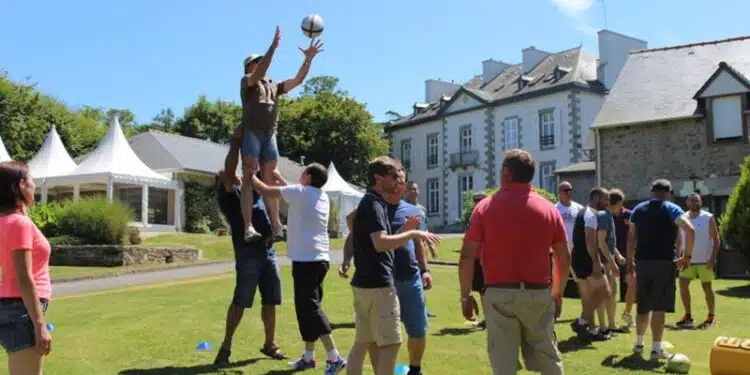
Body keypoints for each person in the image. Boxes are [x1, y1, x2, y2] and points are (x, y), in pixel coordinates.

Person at [459, 149, 570, 375]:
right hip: (538, 292)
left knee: (503, 364)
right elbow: (563, 257)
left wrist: (466, 295)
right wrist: (558, 292)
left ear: (507, 173)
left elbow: (467, 255)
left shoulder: (485, 208)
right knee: (549, 357)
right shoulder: (549, 209)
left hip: (499, 293)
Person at [345, 156, 440, 375]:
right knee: (391, 343)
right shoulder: (375, 204)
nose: (399, 182)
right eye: (394, 176)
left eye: (401, 178)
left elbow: (374, 241)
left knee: (362, 342)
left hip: (365, 283)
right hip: (380, 284)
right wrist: (413, 232)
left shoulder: (368, 202)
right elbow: (380, 243)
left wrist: (424, 267)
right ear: (379, 178)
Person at [248, 163, 346, 374]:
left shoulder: (300, 192)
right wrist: (280, 177)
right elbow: (293, 192)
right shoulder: (320, 196)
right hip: (319, 260)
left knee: (310, 308)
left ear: (308, 177)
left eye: (303, 172)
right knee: (305, 309)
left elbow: (266, 191)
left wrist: (250, 176)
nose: (300, 175)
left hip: (307, 262)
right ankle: (309, 357)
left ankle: (334, 356)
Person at [230, 25, 323, 242]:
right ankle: (248, 228)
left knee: (269, 179)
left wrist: (308, 59)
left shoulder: (274, 86)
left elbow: (298, 80)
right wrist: (273, 47)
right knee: (249, 178)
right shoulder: (247, 82)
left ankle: (277, 226)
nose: (262, 65)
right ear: (249, 67)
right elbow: (261, 70)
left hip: (269, 134)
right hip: (252, 133)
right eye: (257, 62)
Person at [213, 170, 286, 367]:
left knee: (271, 299)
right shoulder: (230, 196)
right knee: (241, 300)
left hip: (267, 252)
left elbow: (265, 179)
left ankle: (270, 344)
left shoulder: (255, 194)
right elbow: (226, 175)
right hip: (248, 255)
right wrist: (232, 176)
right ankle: (225, 348)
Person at [627, 179, 695, 359]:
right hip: (664, 262)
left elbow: (631, 238)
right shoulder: (672, 208)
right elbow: (690, 230)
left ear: (652, 192)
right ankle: (656, 349)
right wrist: (686, 257)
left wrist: (629, 262)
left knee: (643, 305)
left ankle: (639, 344)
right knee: (659, 306)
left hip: (642, 261)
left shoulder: (637, 210)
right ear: (668, 192)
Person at [0, 161, 52, 375]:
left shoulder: (11, 221)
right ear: (21, 185)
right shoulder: (18, 224)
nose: (35, 186)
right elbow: (24, 277)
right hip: (22, 311)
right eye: (31, 181)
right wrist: (39, 325)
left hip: (13, 306)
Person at [570, 188, 616, 343]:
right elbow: (591, 240)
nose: (608, 203)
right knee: (605, 291)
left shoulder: (583, 212)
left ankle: (590, 329)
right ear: (596, 198)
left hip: (578, 258)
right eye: (605, 199)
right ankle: (582, 322)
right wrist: (597, 262)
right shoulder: (591, 213)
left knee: (588, 296)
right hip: (586, 260)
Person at [675, 193, 720, 329]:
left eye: (696, 201)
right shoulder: (682, 218)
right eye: (691, 201)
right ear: (687, 203)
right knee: (683, 286)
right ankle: (688, 315)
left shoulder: (708, 217)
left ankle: (711, 315)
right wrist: (678, 257)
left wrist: (712, 258)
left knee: (707, 287)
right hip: (687, 260)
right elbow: (679, 240)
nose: (694, 203)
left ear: (700, 202)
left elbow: (716, 239)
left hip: (704, 261)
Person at [594, 192, 627, 336]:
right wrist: (612, 263)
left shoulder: (610, 217)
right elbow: (601, 243)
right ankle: (603, 327)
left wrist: (618, 255)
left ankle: (612, 324)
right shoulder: (604, 217)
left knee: (612, 294)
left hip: (609, 260)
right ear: (615, 204)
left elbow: (610, 242)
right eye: (621, 204)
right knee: (603, 295)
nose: (622, 208)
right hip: (603, 262)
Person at [404, 181, 437, 318]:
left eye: (415, 189)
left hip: (422, 247)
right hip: (409, 248)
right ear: (405, 191)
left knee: (424, 276)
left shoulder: (422, 209)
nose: (413, 191)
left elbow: (425, 229)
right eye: (410, 189)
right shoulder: (403, 208)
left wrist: (431, 246)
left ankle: (422, 307)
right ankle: (408, 308)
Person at [610, 189, 636, 327]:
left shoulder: (629, 215)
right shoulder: (607, 216)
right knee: (610, 288)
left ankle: (627, 313)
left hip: (627, 255)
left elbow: (635, 236)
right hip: (610, 255)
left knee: (632, 283)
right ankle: (611, 319)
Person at [470, 192, 488, 329]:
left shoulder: (487, 215)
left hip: (484, 258)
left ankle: (489, 318)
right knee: (481, 290)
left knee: (485, 290)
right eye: (475, 200)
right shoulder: (474, 216)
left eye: (480, 200)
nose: (477, 202)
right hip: (475, 257)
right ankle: (486, 318)